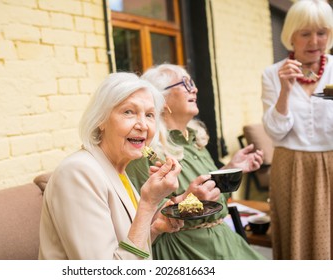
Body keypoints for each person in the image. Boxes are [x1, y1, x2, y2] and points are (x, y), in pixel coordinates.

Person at [126, 64, 265, 260]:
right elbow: (151, 221)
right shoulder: (147, 152)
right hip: (186, 250)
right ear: (161, 98)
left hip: (223, 241)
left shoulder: (195, 140)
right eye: (185, 83)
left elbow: (212, 198)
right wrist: (192, 201)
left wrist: (232, 168)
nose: (195, 88)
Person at [38, 72, 183, 260]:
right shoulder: (77, 172)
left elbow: (122, 248)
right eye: (128, 112)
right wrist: (149, 204)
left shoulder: (117, 170)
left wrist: (153, 228)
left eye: (149, 115)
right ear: (101, 120)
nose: (143, 125)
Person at [261, 0, 333, 260]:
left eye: (321, 32)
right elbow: (275, 133)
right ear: (290, 35)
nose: (314, 41)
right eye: (305, 33)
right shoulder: (272, 74)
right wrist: (285, 91)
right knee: (296, 239)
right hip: (291, 166)